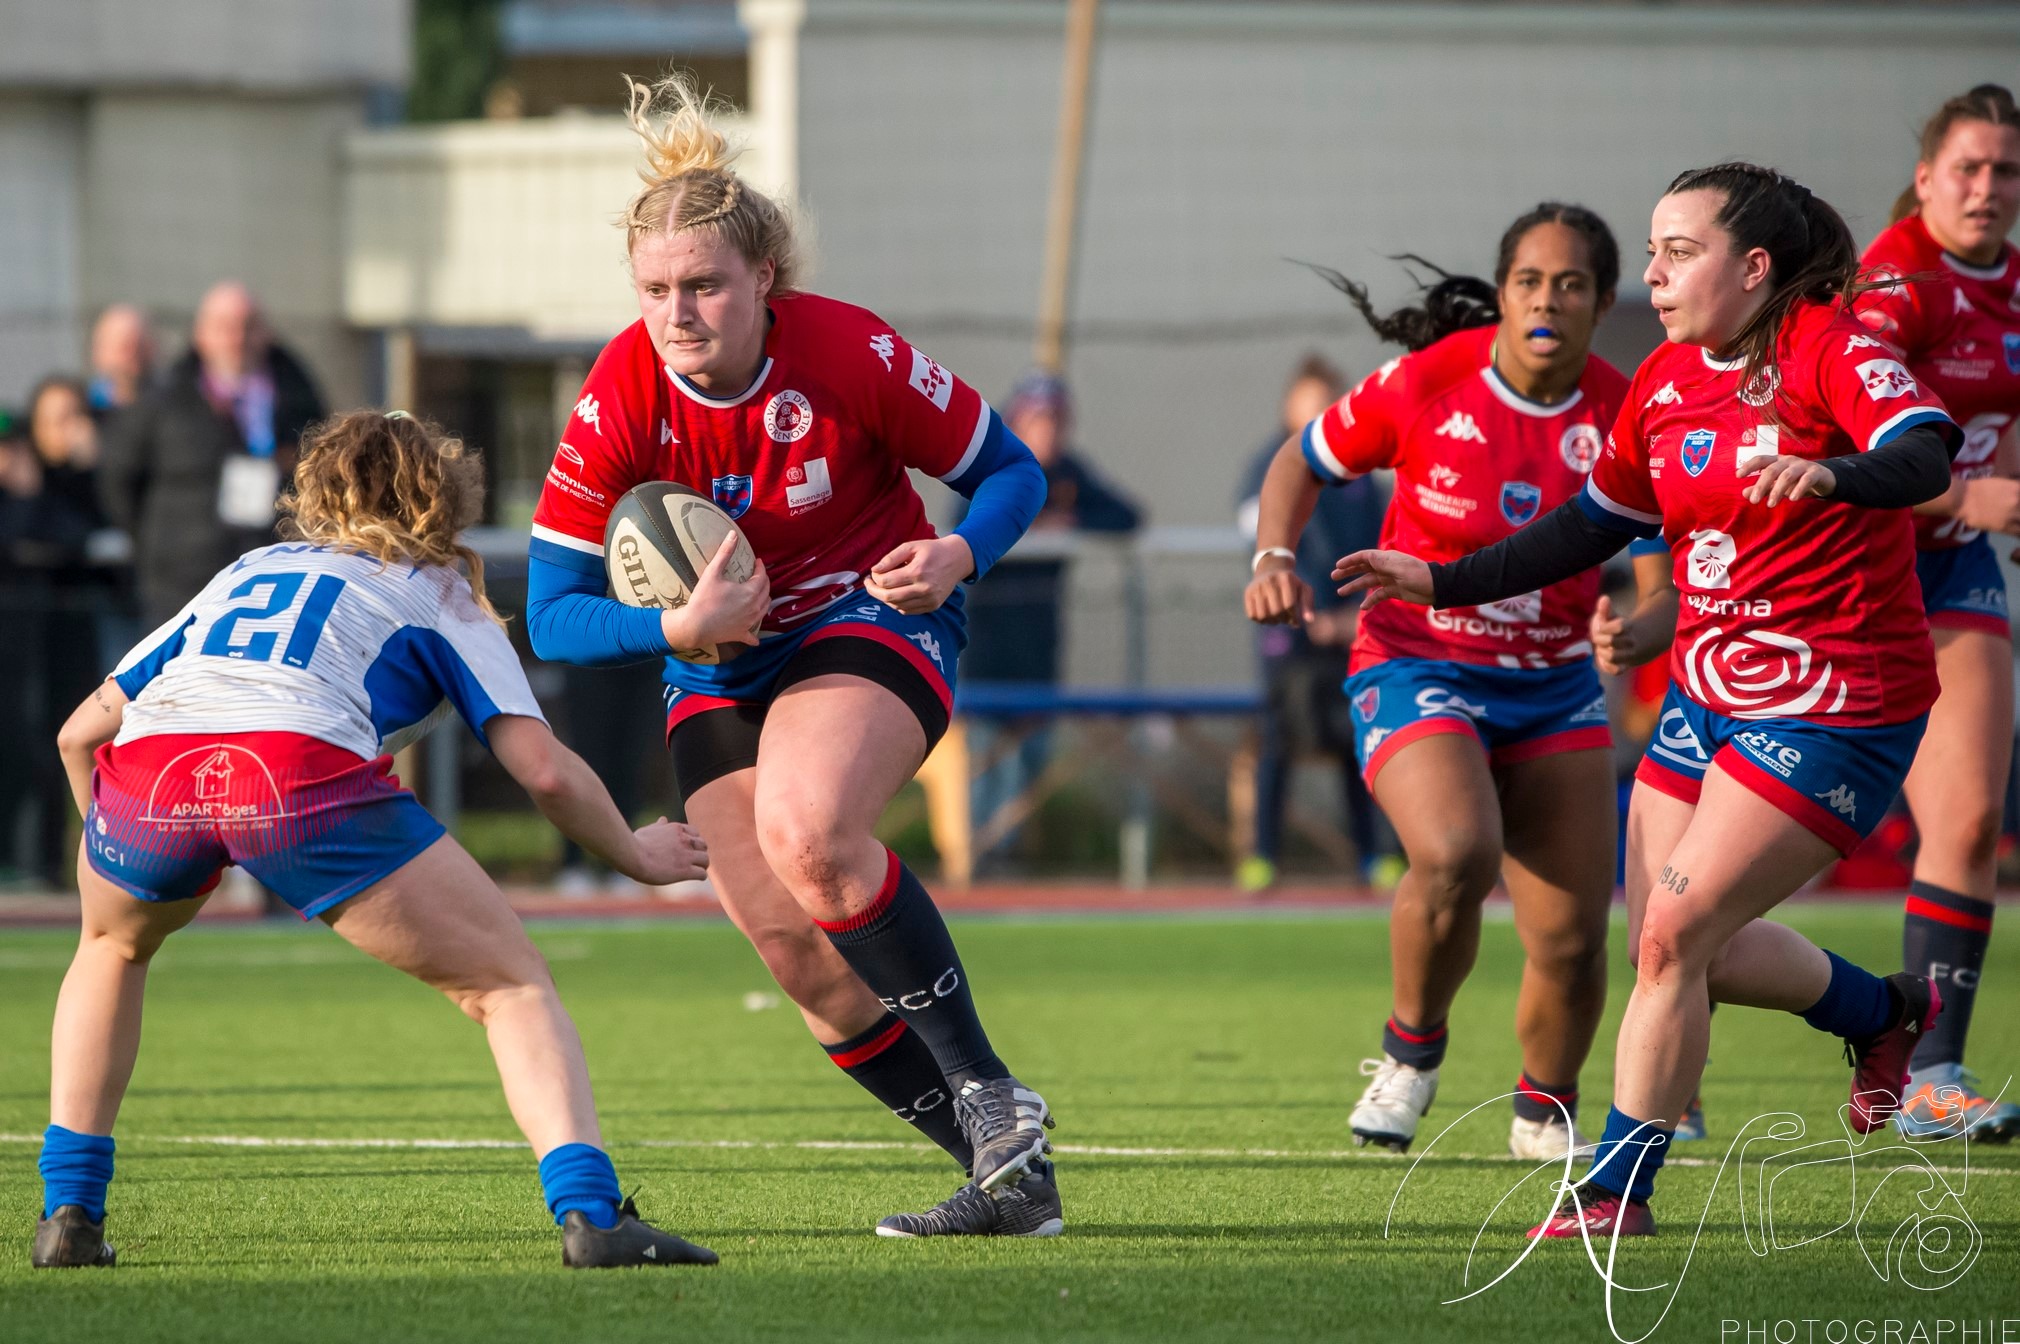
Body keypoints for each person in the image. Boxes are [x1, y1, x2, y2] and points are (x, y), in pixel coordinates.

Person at [1337, 164, 1958, 1238]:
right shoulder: (1665, 383)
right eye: (1656, 252)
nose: (1657, 275)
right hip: (1707, 693)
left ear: (1753, 268)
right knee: (1678, 950)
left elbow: (1921, 452)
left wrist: (1833, 476)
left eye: (1681, 253)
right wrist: (1439, 578)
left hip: (1837, 699)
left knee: (1669, 937)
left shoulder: (1826, 347)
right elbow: (1587, 526)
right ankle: (1884, 1010)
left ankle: (1615, 1195)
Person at [523, 75, 1059, 1240]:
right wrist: (674, 632)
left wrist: (960, 551)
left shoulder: (848, 348)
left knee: (808, 829)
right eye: (658, 290)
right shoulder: (618, 392)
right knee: (800, 958)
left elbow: (1015, 469)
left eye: (706, 285)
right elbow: (552, 612)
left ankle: (992, 1094)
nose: (680, 313)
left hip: (870, 617)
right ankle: (1007, 1176)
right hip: (714, 666)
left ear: (765, 277)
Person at [32, 410, 717, 1271]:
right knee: (510, 985)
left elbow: (77, 735)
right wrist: (634, 852)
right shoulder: (439, 590)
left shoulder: (249, 568)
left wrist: (115, 844)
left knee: (109, 949)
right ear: (445, 499)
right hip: (293, 771)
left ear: (315, 490)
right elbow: (541, 768)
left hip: (148, 775)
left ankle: (69, 1217)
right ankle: (592, 1218)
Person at [1246, 204, 1630, 1162]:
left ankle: (1545, 1112)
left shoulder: (1628, 411)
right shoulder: (1431, 381)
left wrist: (1641, 626)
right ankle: (1410, 1054)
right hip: (1420, 660)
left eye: (1572, 284)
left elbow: (1661, 575)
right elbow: (1301, 460)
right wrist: (1271, 557)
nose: (1549, 301)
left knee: (1577, 940)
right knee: (1458, 849)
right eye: (1530, 282)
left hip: (1554, 682)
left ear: (1603, 302)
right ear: (1501, 295)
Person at [1855, 84, 2020, 1141]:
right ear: (1926, 180)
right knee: (1753, 834)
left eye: (2005, 171)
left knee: (1965, 821)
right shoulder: (1894, 279)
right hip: (1848, 568)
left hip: (1954, 571)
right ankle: (1673, 1050)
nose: (1986, 188)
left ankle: (1930, 1077)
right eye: (1967, 167)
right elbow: (1851, 434)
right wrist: (1961, 492)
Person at [960, 370, 1142, 864]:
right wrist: (1023, 527)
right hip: (986, 647)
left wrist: (1072, 524)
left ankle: (1008, 855)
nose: (1048, 433)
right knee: (984, 762)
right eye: (1039, 421)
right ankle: (977, 864)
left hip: (1041, 646)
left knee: (1032, 761)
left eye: (1057, 422)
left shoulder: (1068, 476)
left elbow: (1128, 515)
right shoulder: (988, 467)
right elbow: (958, 528)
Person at [1235, 354, 1394, 890]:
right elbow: (1263, 541)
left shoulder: (1360, 478)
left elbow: (1380, 544)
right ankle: (1263, 856)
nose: (1317, 416)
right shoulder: (1268, 467)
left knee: (1359, 742)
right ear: (1288, 408)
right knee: (1279, 745)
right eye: (1307, 405)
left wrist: (1354, 615)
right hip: (1290, 636)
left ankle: (1372, 856)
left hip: (1351, 633)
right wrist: (1306, 613)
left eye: (1326, 404)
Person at [99, 282, 326, 628]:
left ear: (265, 333)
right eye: (223, 327)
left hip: (276, 575)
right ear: (201, 335)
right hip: (183, 583)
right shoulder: (165, 402)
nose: (236, 338)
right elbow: (120, 479)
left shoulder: (298, 396)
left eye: (247, 326)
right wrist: (156, 546)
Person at [87, 305, 157, 418]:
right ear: (99, 352)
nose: (132, 355)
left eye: (139, 347)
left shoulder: (172, 406)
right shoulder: (87, 411)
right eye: (125, 347)